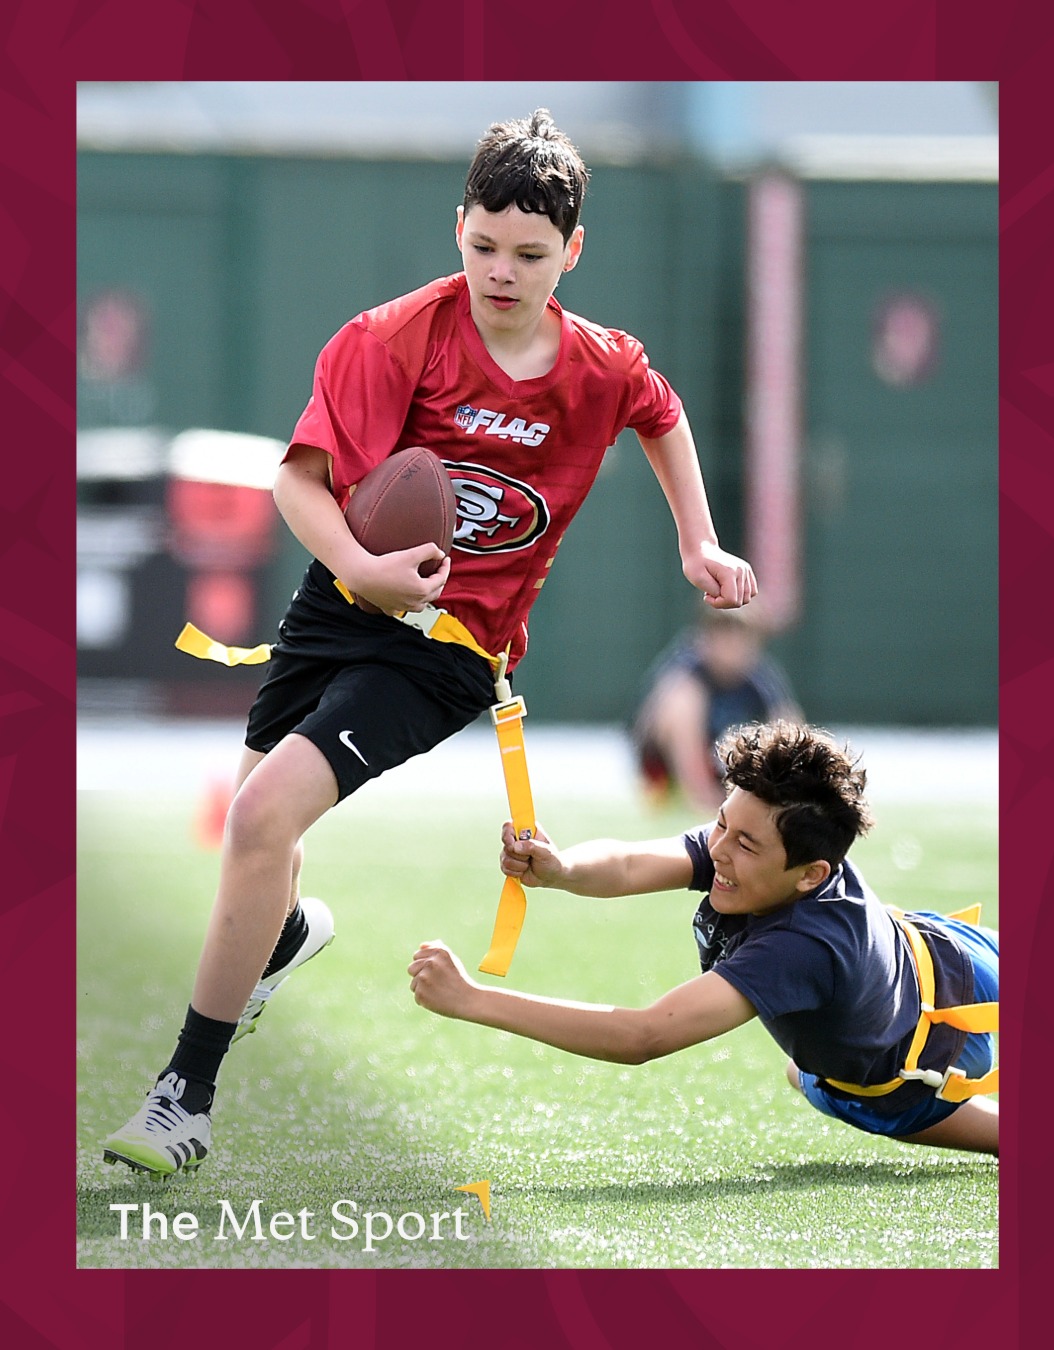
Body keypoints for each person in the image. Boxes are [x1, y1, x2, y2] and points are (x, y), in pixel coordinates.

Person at [102, 109, 757, 1175]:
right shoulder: (397, 335)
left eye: (531, 255)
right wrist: (360, 566)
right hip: (339, 604)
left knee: (261, 816)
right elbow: (298, 482)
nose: (502, 271)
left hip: (448, 649)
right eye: (484, 244)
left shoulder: (598, 365)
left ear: (573, 252)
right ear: (458, 226)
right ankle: (276, 941)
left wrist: (700, 540)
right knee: (260, 847)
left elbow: (661, 410)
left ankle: (184, 1099)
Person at [409, 721, 999, 1157]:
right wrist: (562, 869)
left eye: (745, 844)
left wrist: (473, 1000)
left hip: (942, 992)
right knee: (808, 1076)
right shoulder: (754, 851)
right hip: (915, 1012)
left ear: (811, 875)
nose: (717, 849)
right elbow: (632, 864)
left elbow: (643, 1034)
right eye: (721, 822)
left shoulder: (802, 945)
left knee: (812, 1078)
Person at [632, 604, 801, 815]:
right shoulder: (687, 675)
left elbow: (790, 726)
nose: (732, 646)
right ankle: (698, 799)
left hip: (727, 776)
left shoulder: (760, 679)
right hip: (669, 778)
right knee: (682, 705)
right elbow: (662, 725)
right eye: (723, 635)